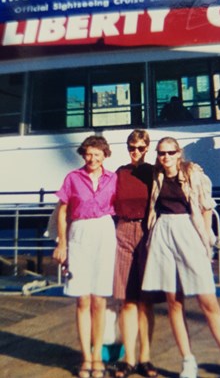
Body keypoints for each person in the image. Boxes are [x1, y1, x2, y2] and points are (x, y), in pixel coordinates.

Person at [142, 137, 220, 378]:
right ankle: (188, 362)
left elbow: (206, 209)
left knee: (208, 301)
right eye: (161, 153)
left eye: (170, 152)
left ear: (179, 153)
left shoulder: (194, 174)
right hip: (162, 234)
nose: (165, 157)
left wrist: (206, 241)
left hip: (189, 231)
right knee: (174, 302)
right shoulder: (157, 176)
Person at [53, 135, 117, 378]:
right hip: (79, 232)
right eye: (88, 154)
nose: (92, 158)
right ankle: (86, 358)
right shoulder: (72, 178)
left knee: (100, 300)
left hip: (104, 232)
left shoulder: (113, 179)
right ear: (83, 154)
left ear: (105, 155)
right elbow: (62, 213)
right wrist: (63, 244)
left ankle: (98, 356)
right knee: (82, 300)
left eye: (97, 154)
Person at [113, 129, 158, 378]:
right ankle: (128, 358)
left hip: (147, 231)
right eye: (132, 147)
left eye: (141, 147)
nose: (136, 152)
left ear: (147, 148)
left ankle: (145, 358)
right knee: (127, 299)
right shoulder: (121, 172)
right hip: (123, 230)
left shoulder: (154, 172)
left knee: (146, 301)